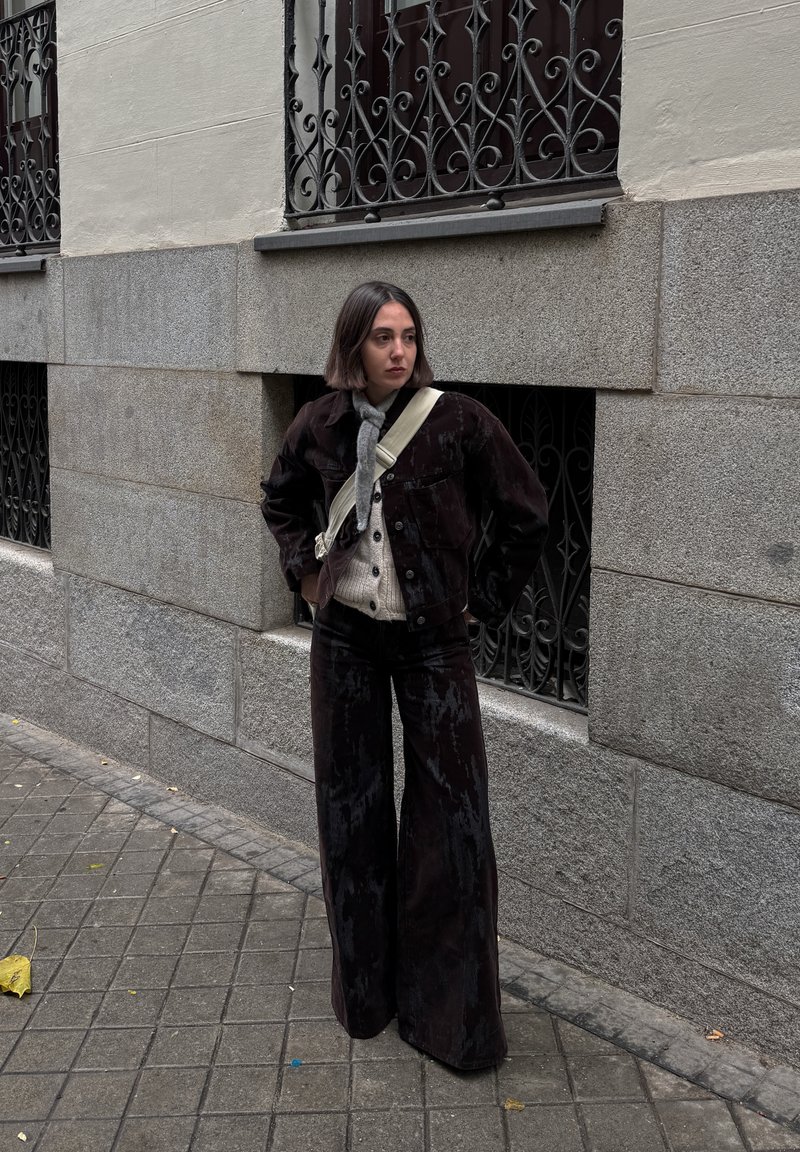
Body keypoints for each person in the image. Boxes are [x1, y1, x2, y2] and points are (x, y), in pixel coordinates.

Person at [261, 281, 548, 1070]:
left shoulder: (458, 422)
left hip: (433, 645)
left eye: (409, 337)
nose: (398, 352)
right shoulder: (318, 424)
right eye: (382, 337)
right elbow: (280, 500)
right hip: (346, 639)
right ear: (352, 347)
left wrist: (479, 603)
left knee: (451, 826)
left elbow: (528, 512)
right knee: (349, 813)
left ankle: (449, 1020)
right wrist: (306, 575)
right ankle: (368, 998)